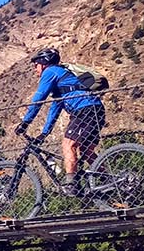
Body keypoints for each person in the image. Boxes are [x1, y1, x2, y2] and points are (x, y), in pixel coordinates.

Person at [16, 47, 105, 196]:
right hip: (95, 109)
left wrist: (25, 123)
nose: (34, 69)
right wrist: (44, 133)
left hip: (84, 110)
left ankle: (71, 184)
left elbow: (38, 100)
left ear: (44, 63)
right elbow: (54, 109)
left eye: (36, 65)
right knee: (86, 151)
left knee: (68, 144)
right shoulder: (62, 80)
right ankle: (108, 180)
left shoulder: (50, 72)